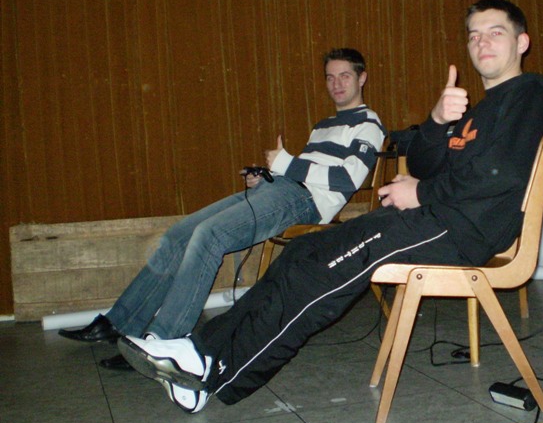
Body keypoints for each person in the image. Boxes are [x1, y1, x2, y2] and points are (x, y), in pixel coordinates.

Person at [117, 0, 543, 413]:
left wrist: (421, 194)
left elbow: (500, 175)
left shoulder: (531, 94)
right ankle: (200, 351)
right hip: (437, 217)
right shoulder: (479, 110)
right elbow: (425, 164)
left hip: (463, 229)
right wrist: (436, 120)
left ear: (522, 42)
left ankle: (215, 372)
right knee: (303, 252)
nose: (482, 42)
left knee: (322, 269)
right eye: (473, 35)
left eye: (495, 33)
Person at [59, 48, 386, 372]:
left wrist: (287, 164)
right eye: (330, 77)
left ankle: (163, 342)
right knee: (178, 234)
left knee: (209, 235)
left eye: (344, 76)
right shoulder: (324, 125)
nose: (336, 84)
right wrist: (268, 175)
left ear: (362, 78)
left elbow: (347, 179)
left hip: (305, 202)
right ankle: (118, 324)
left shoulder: (369, 124)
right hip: (281, 190)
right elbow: (307, 170)